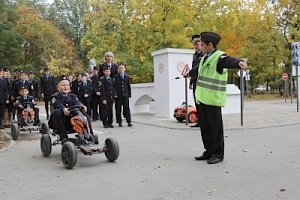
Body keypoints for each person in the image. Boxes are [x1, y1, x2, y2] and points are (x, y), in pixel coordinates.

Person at [187, 31, 248, 164]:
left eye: (202, 44)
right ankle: (208, 151)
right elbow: (198, 70)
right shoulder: (205, 57)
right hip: (202, 98)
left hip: (213, 99)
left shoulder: (219, 57)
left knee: (215, 128)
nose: (200, 47)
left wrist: (239, 63)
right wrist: (189, 74)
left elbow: (229, 61)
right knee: (205, 127)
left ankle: (218, 154)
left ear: (210, 45)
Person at [189, 34, 204, 128]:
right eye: (194, 44)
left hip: (202, 82)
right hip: (195, 82)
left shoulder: (204, 55)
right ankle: (199, 121)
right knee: (196, 102)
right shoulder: (195, 55)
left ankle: (204, 121)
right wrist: (190, 82)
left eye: (197, 44)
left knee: (202, 102)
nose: (195, 46)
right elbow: (193, 68)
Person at [114, 62, 132, 127]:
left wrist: (129, 94)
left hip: (125, 95)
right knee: (118, 109)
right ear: (118, 69)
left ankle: (129, 121)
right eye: (120, 68)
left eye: (122, 68)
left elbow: (128, 86)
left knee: (126, 108)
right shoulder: (115, 77)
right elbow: (114, 86)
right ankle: (119, 122)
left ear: (125, 69)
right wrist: (115, 94)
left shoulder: (127, 76)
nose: (121, 69)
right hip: (118, 96)